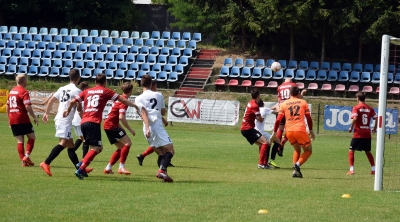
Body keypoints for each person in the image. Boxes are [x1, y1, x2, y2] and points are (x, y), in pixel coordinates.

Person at [63, 73, 150, 180]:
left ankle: (82, 163)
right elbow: (122, 100)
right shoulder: (105, 91)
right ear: (105, 82)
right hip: (93, 122)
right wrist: (135, 105)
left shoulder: (86, 91)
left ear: (95, 82)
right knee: (97, 147)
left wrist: (67, 110)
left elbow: (72, 101)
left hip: (83, 122)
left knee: (97, 148)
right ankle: (81, 168)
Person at [40, 69, 92, 176]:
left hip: (61, 119)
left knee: (71, 145)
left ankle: (81, 168)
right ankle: (46, 162)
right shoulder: (77, 91)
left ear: (69, 77)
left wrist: (46, 113)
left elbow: (51, 101)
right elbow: (79, 108)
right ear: (78, 78)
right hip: (64, 120)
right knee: (63, 143)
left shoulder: (62, 88)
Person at [135, 74, 175, 182]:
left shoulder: (138, 98)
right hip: (156, 126)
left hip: (146, 128)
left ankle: (164, 175)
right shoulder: (158, 95)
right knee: (170, 150)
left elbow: (142, 113)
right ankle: (162, 170)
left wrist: (147, 128)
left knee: (161, 153)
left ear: (141, 84)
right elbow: (162, 112)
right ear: (151, 84)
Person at [271, 86, 315, 178]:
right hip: (300, 130)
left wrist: (274, 132)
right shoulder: (303, 102)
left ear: (290, 94)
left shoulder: (284, 104)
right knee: (308, 151)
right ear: (299, 93)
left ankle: (295, 172)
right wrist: (311, 130)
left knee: (297, 149)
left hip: (289, 131)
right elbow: (309, 119)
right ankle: (297, 165)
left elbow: (278, 120)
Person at [103, 82, 137, 175]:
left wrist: (122, 128)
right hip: (112, 126)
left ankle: (108, 168)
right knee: (128, 143)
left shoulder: (118, 99)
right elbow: (121, 117)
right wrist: (130, 130)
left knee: (122, 147)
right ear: (130, 91)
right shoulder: (124, 101)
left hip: (107, 125)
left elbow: (115, 116)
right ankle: (121, 167)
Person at [6, 74, 38, 167]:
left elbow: (7, 106)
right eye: (26, 80)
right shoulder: (23, 91)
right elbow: (27, 106)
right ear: (24, 81)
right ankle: (26, 157)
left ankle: (23, 161)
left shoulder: (12, 91)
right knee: (32, 137)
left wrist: (9, 118)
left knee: (20, 141)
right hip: (22, 118)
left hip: (13, 118)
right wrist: (34, 117)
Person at [240, 89, 272, 169]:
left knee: (262, 144)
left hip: (245, 128)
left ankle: (264, 163)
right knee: (265, 142)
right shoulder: (255, 105)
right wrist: (263, 118)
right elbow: (260, 119)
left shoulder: (250, 102)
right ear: (258, 95)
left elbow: (254, 116)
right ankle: (261, 164)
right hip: (248, 129)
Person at [347, 92, 377, 175]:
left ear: (357, 98)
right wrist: (374, 128)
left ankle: (351, 170)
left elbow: (355, 118)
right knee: (368, 151)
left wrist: (351, 127)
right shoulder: (370, 108)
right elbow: (376, 118)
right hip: (367, 133)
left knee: (351, 150)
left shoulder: (356, 107)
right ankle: (373, 169)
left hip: (358, 133)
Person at [270, 78, 298, 159]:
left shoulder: (280, 86)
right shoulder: (293, 85)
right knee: (291, 128)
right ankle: (282, 142)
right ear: (291, 81)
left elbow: (279, 100)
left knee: (280, 128)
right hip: (290, 108)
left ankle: (277, 144)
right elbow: (298, 97)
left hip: (281, 108)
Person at [254, 99, 279, 168]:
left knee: (263, 145)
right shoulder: (264, 109)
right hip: (260, 132)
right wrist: (278, 107)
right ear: (263, 104)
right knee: (277, 141)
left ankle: (264, 162)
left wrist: (274, 106)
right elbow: (277, 112)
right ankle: (270, 160)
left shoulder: (257, 109)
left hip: (254, 131)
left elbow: (268, 109)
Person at [72, 81, 90, 158]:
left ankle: (71, 151)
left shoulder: (79, 96)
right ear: (85, 88)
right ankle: (85, 158)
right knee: (86, 139)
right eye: (88, 87)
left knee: (81, 137)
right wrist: (84, 120)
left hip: (75, 120)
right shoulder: (83, 97)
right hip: (80, 120)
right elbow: (80, 110)